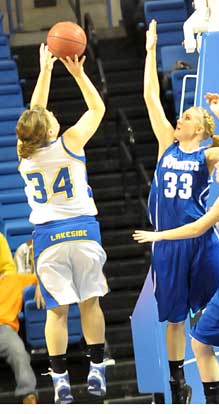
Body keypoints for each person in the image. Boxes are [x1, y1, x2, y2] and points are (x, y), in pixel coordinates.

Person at [142, 18, 219, 403]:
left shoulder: (209, 156)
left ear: (201, 126)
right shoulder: (166, 143)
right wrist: (149, 52)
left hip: (200, 238)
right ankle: (180, 384)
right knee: (176, 320)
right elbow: (148, 98)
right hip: (170, 243)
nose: (180, 119)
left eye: (188, 117)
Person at [133, 146, 219, 404]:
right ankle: (215, 405)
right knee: (201, 340)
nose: (216, 166)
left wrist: (157, 235)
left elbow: (196, 228)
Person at [16, 44, 108, 404]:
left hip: (48, 237)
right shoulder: (69, 141)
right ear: (51, 129)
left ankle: (60, 381)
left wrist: (44, 72)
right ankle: (97, 369)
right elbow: (97, 108)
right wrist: (77, 73)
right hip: (83, 230)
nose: (53, 114)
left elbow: (35, 113)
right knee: (90, 304)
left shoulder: (25, 154)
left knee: (57, 313)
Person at [0, 232, 43, 404]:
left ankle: (28, 394)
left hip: (4, 329)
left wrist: (40, 285)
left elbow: (39, 279)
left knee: (18, 351)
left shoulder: (14, 279)